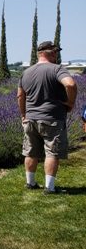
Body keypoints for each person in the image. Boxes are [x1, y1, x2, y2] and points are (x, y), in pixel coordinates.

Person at [17, 40, 77, 194]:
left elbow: (20, 96)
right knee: (52, 152)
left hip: (30, 118)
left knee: (31, 151)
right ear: (48, 53)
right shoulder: (57, 69)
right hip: (52, 118)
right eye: (55, 52)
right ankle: (49, 188)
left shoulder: (26, 72)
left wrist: (24, 114)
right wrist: (70, 103)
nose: (57, 54)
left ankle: (30, 183)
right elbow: (70, 84)